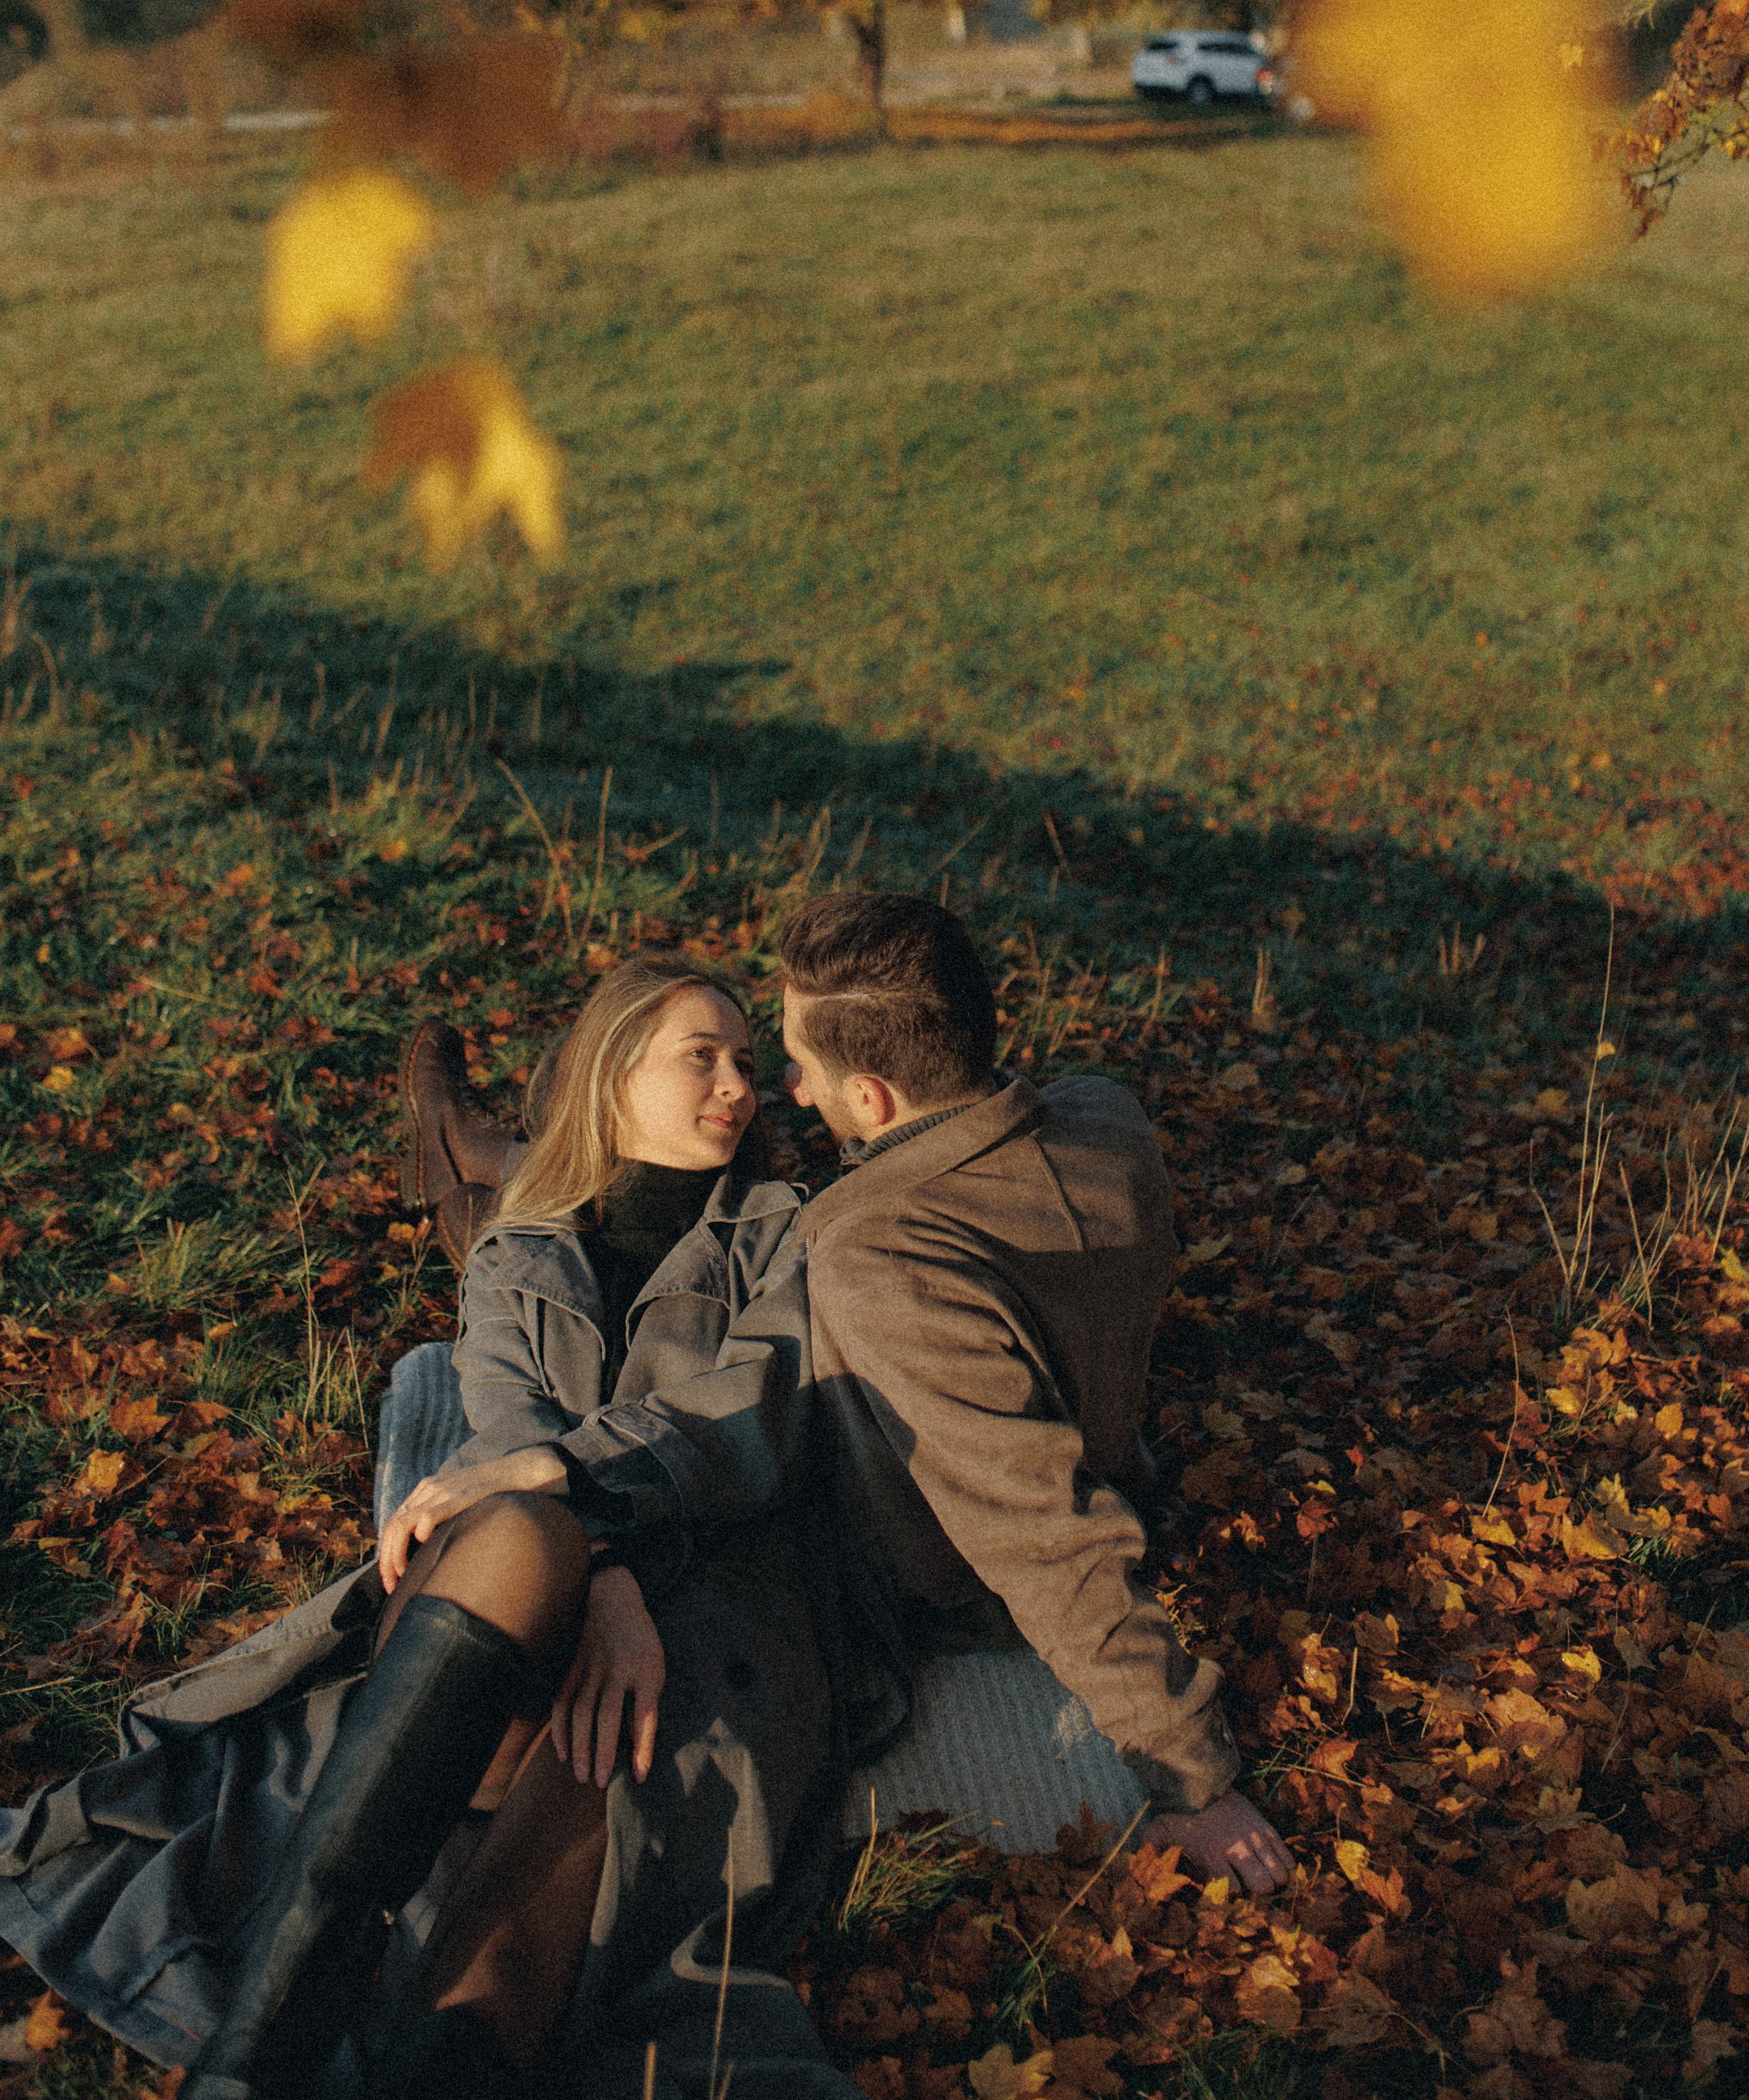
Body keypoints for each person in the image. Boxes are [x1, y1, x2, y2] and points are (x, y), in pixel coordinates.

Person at [0, 958, 862, 2100]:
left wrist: (581, 1501)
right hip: (520, 1601)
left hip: (694, 1612)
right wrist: (601, 1572)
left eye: (749, 1062)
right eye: (701, 1056)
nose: (738, 1085)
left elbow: (757, 1412)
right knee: (524, 1537)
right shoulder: (522, 1241)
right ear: (609, 1080)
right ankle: (261, 2052)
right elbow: (503, 1411)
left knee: (606, 1761)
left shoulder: (782, 1231)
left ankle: (417, 2055)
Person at [396, 891, 1292, 1898]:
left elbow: (1038, 1526)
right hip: (631, 1264)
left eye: (784, 1063)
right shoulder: (1102, 1114)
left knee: (514, 1222)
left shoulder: (863, 1264)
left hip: (892, 1573)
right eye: (720, 1058)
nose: (772, 1086)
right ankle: (483, 1152)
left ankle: (478, 1161)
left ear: (868, 1100)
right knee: (526, 1218)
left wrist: (1190, 1770)